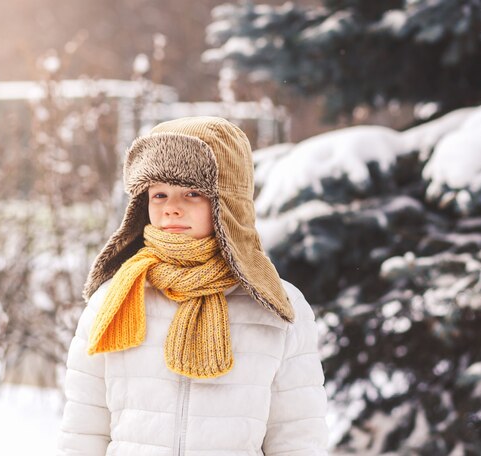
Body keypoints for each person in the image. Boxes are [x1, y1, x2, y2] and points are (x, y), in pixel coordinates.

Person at [58, 117, 328, 455]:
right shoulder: (114, 300)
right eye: (159, 194)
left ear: (227, 204)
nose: (171, 208)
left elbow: (297, 436)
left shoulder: (276, 308)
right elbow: (85, 427)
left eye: (192, 192)